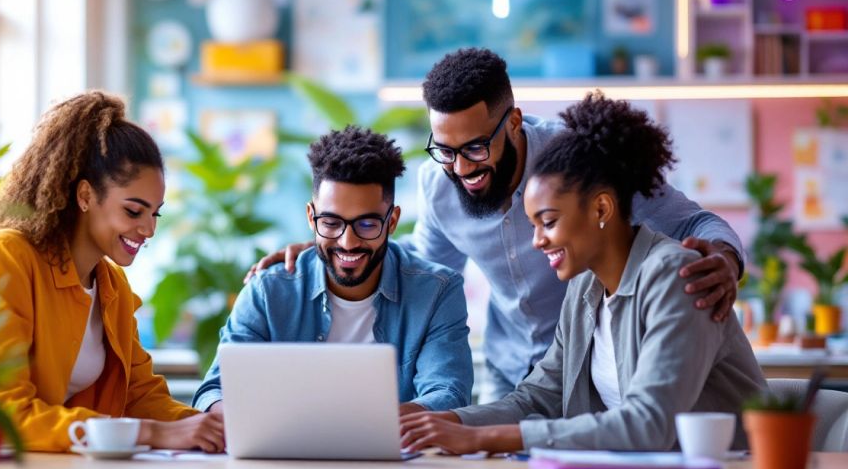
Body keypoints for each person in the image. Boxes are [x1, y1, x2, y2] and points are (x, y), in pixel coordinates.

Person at [249, 48, 746, 400]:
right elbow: (419, 273)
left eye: (474, 148)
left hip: (596, 365)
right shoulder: (438, 186)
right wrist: (328, 251)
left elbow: (695, 220)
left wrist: (724, 258)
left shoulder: (575, 164)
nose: (461, 168)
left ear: (513, 122)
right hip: (510, 374)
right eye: (444, 150)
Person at [399, 92, 765, 454]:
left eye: (549, 222)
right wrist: (449, 422)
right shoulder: (584, 289)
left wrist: (484, 437)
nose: (538, 242)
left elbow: (648, 424)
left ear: (601, 208)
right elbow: (539, 396)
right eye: (533, 225)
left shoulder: (676, 277)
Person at [0, 91, 224, 453]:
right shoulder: (6, 257)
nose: (149, 229)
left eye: (155, 213)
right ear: (87, 196)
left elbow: (140, 397)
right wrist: (149, 434)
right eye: (134, 211)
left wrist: (210, 427)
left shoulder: (113, 287)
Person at [192, 126, 473, 416]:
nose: (348, 242)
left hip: (392, 456)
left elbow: (448, 393)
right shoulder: (267, 291)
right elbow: (215, 390)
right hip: (282, 454)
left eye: (367, 224)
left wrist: (361, 424)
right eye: (331, 223)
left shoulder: (438, 291)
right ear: (311, 218)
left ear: (392, 221)